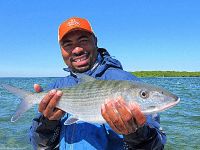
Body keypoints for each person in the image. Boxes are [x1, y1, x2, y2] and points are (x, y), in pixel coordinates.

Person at [29, 17, 166, 150]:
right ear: (61, 51)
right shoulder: (56, 88)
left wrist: (137, 135)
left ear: (95, 41)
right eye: (68, 44)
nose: (77, 50)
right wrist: (48, 124)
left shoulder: (129, 82)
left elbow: (157, 146)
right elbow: (39, 146)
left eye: (83, 40)